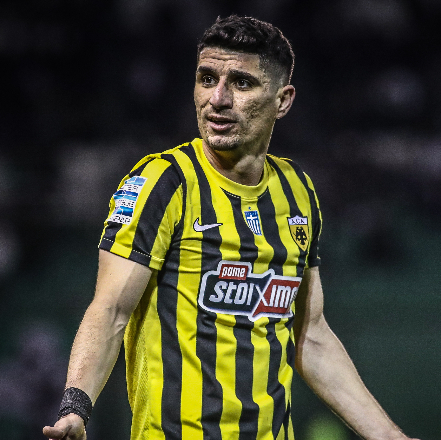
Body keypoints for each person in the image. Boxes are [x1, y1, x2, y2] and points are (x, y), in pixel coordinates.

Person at [43, 15, 416, 440]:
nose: (217, 99)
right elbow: (110, 310)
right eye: (207, 78)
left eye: (241, 83)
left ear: (282, 100)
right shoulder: (163, 183)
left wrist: (391, 436)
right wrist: (75, 408)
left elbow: (310, 336)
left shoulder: (297, 191)